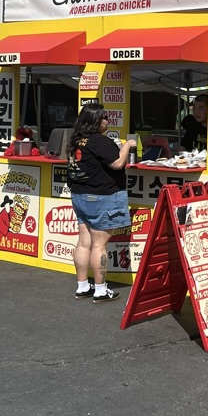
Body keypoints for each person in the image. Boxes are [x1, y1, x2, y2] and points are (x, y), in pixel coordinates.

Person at [67, 104, 137, 303]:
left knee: (84, 242)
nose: (107, 121)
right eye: (104, 117)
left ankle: (82, 286)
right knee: (99, 245)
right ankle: (100, 290)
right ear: (95, 121)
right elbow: (117, 163)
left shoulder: (76, 140)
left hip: (79, 195)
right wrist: (128, 144)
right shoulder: (99, 140)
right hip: (101, 197)